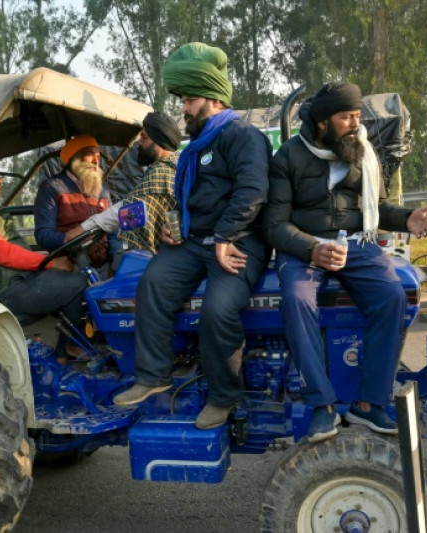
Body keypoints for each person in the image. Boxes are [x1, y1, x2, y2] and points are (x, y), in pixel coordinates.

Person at [262, 82, 427, 442]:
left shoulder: (363, 152)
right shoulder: (288, 157)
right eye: (347, 117)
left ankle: (369, 403)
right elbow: (274, 225)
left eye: (358, 116)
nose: (356, 124)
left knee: (392, 296)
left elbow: (379, 207)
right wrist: (313, 249)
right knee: (296, 300)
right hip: (304, 246)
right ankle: (321, 404)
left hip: (357, 243)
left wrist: (406, 218)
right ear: (322, 122)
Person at [112, 42, 272, 430]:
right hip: (195, 242)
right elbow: (188, 200)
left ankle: (224, 396)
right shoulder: (194, 148)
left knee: (218, 309)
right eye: (183, 100)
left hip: (238, 241)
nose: (183, 108)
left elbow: (252, 192)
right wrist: (176, 226)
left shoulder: (242, 136)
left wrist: (224, 236)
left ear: (214, 100)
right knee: (152, 282)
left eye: (190, 100)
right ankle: (153, 375)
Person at [0, 148, 89, 360]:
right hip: (0, 293)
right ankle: (72, 347)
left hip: (16, 281)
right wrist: (49, 263)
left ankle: (62, 355)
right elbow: (3, 253)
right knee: (77, 283)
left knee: (73, 277)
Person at [67, 112, 181, 254]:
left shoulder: (162, 172)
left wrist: (83, 229)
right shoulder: (179, 166)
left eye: (144, 137)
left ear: (159, 141)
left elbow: (131, 210)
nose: (139, 142)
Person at [33, 134, 119, 269]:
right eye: (89, 155)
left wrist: (115, 264)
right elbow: (44, 235)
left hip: (105, 266)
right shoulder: (52, 188)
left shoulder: (103, 193)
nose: (95, 161)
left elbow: (114, 232)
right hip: (70, 267)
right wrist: (79, 243)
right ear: (75, 158)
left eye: (98, 157)